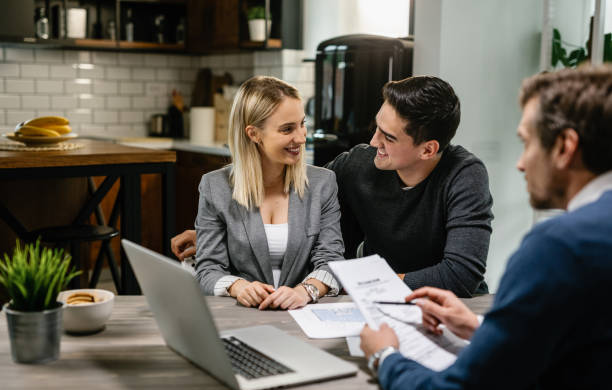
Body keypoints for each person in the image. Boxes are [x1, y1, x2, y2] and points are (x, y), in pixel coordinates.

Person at [360, 65, 612, 390]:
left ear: (565, 147)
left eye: (527, 142)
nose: (521, 163)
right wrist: (482, 328)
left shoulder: (559, 247)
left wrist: (385, 356)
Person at [173, 75, 494, 298]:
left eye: (389, 137)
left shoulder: (464, 175)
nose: (373, 142)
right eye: (377, 128)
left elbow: (460, 275)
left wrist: (366, 282)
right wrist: (217, 233)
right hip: (378, 300)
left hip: (456, 303)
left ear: (428, 149)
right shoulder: (356, 165)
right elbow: (299, 202)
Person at [193, 76, 344, 310]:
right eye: (287, 129)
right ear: (254, 134)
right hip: (241, 315)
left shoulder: (323, 183)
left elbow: (331, 260)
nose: (302, 137)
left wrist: (305, 291)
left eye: (302, 124)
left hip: (303, 314)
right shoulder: (215, 187)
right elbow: (207, 269)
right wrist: (238, 286)